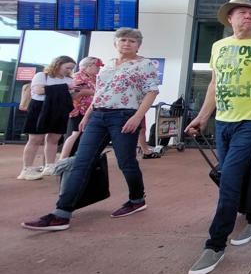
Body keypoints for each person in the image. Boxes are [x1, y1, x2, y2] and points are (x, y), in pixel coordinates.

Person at [184, 0, 251, 274]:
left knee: (229, 178)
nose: (248, 16)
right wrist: (202, 117)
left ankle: (215, 245)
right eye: (242, 13)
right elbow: (214, 84)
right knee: (234, 175)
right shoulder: (218, 46)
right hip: (223, 122)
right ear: (230, 18)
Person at [22, 28, 159, 230]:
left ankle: (137, 199)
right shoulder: (108, 65)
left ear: (138, 45)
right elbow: (100, 92)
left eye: (132, 41)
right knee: (81, 162)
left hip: (124, 116)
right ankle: (62, 213)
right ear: (116, 43)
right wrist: (87, 116)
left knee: (126, 162)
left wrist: (137, 117)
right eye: (123, 40)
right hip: (98, 116)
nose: (127, 44)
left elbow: (152, 91)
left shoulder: (145, 64)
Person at [18, 56, 77, 180]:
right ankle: (26, 169)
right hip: (39, 107)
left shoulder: (68, 79)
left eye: (71, 68)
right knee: (35, 139)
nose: (69, 70)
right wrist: (64, 88)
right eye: (67, 67)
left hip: (59, 109)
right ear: (58, 64)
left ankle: (49, 166)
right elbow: (38, 90)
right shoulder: (42, 75)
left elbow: (71, 95)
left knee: (54, 138)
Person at [58, 57, 103, 160]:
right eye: (97, 66)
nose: (98, 69)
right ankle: (63, 159)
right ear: (88, 66)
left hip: (90, 110)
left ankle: (78, 156)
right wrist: (96, 93)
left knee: (83, 134)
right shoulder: (78, 77)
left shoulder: (94, 78)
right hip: (79, 109)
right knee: (76, 133)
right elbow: (75, 94)